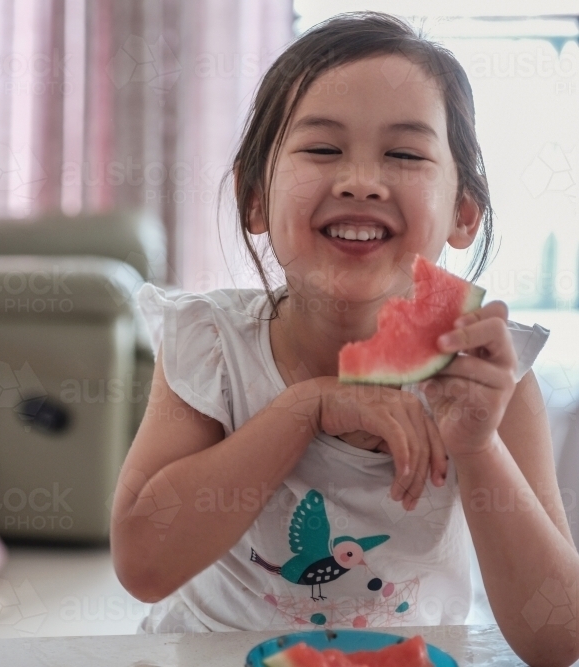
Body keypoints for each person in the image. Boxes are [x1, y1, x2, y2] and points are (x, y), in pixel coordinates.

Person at [111, 12, 579, 667]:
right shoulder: (213, 345)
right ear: (254, 197)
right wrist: (306, 407)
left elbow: (557, 639)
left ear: (463, 213)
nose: (360, 179)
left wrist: (476, 443)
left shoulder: (490, 374)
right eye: (323, 149)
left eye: (406, 153)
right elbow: (142, 562)